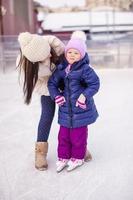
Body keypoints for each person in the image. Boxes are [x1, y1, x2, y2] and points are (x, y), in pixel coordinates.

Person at [48, 35, 100, 172]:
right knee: (63, 136)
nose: (72, 55)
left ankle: (77, 158)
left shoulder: (85, 69)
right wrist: (56, 96)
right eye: (70, 52)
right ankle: (63, 157)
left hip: (80, 109)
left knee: (78, 136)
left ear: (81, 55)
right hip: (65, 109)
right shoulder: (62, 69)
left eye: (76, 53)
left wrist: (84, 95)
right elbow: (52, 83)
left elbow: (95, 84)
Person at [17, 32, 65, 171]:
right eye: (45, 56)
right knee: (47, 115)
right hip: (46, 86)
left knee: (71, 113)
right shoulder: (24, 66)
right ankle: (40, 152)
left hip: (65, 80)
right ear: (34, 61)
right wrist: (54, 93)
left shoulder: (53, 43)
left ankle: (78, 147)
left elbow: (71, 60)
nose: (50, 55)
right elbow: (37, 84)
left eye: (48, 51)